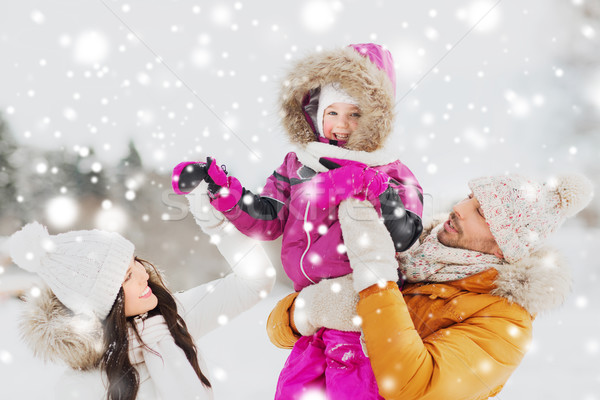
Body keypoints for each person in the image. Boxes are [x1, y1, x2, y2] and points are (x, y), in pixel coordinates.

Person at [172, 43, 424, 399]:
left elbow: (407, 233)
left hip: (364, 319)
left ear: (375, 117)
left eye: (355, 114)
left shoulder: (391, 169)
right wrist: (222, 188)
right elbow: (268, 217)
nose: (341, 125)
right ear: (315, 112)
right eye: (332, 112)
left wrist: (373, 189)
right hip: (312, 315)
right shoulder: (298, 164)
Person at [267, 173, 593, 400]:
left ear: (503, 248)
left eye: (481, 212)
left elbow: (412, 385)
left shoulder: (505, 324)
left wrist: (377, 282)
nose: (459, 208)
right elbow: (278, 332)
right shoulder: (410, 253)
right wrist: (304, 311)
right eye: (470, 197)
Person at [10, 180, 275, 400]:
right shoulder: (82, 387)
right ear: (103, 303)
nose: (143, 273)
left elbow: (255, 282)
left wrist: (217, 225)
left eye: (135, 261)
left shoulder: (173, 319)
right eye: (126, 276)